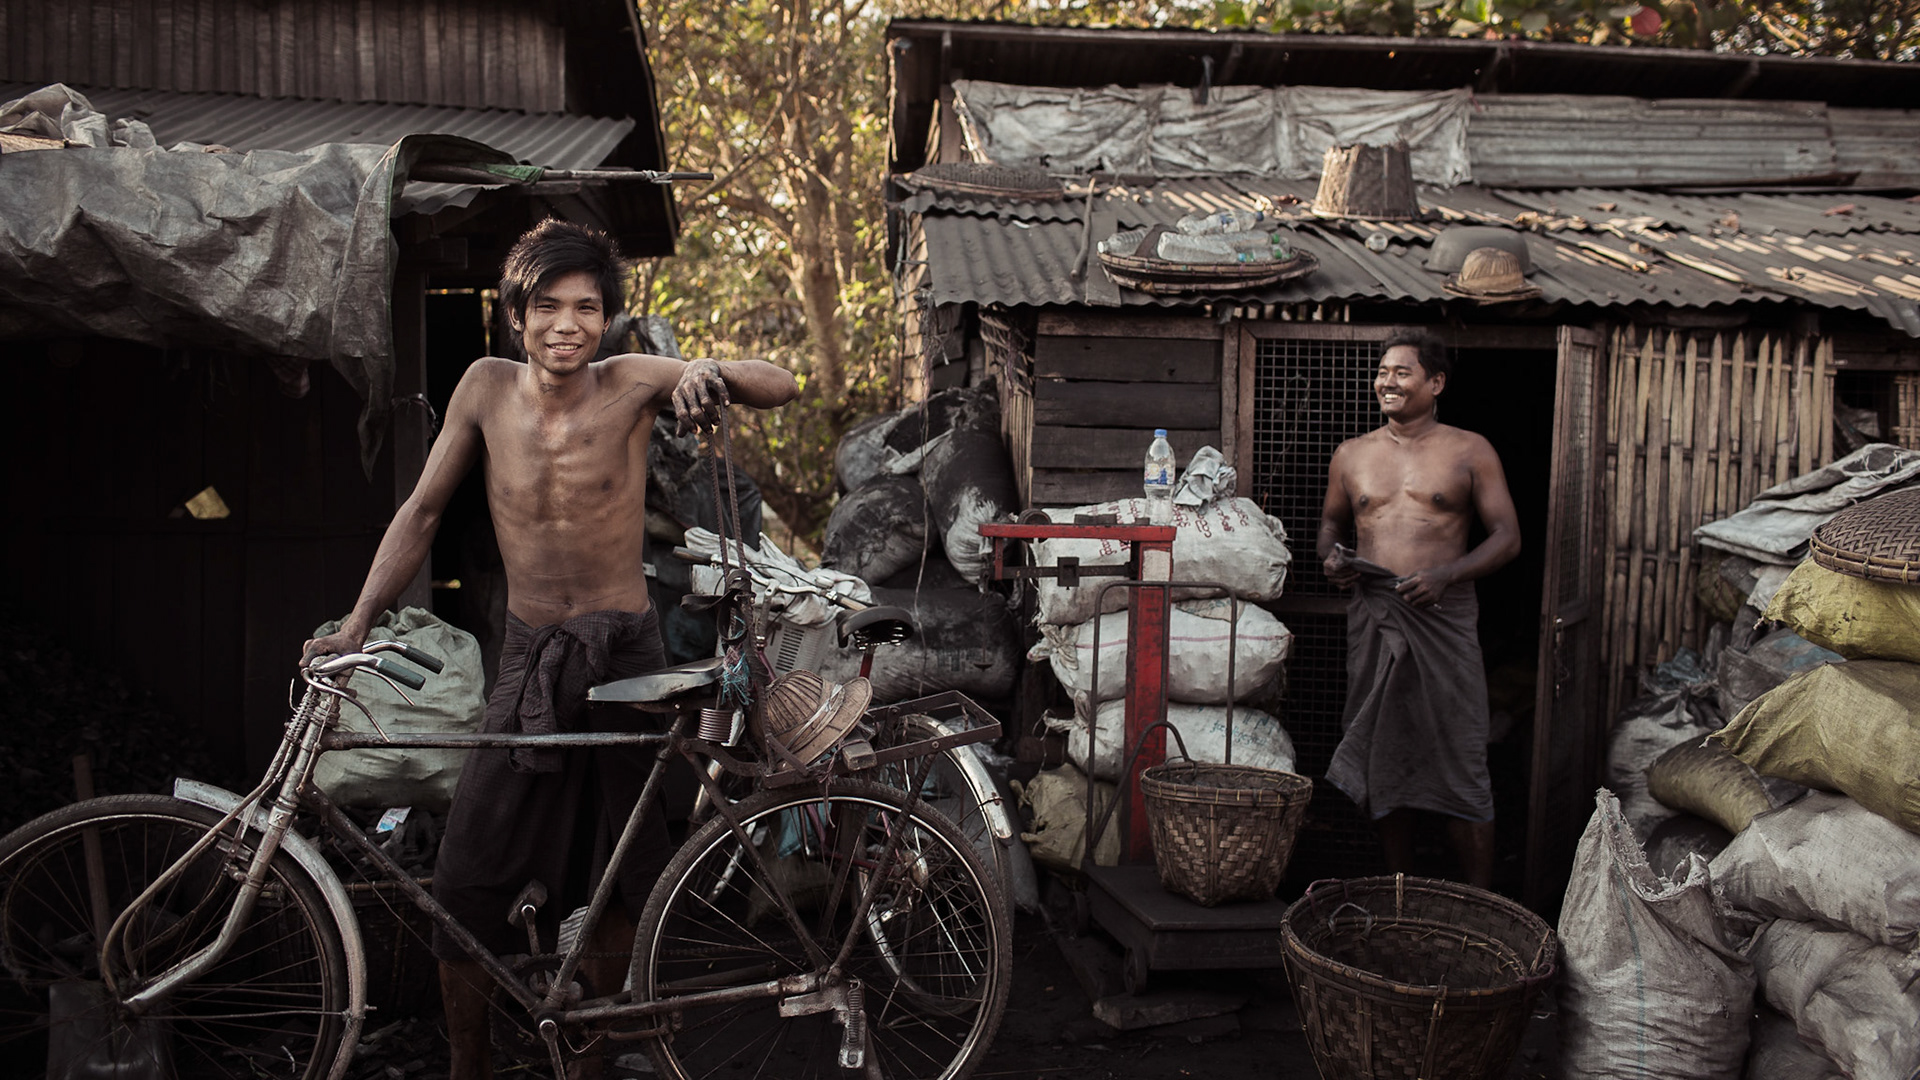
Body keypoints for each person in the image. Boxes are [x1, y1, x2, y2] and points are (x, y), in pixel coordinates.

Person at [303, 218, 798, 1079]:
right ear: (516, 315)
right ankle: (470, 1061)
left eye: (587, 307)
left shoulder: (633, 377)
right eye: (549, 307)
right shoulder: (484, 388)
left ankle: (597, 1052)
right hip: (530, 658)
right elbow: (421, 513)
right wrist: (357, 621)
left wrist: (711, 372)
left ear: (606, 317)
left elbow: (778, 381)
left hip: (628, 658)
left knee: (621, 865)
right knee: (469, 872)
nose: (568, 324)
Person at [1316, 329, 1520, 891]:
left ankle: (1480, 901)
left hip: (1443, 620)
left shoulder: (1470, 449)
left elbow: (1508, 537)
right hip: (1377, 619)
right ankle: (1401, 891)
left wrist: (1446, 575)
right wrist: (1332, 559)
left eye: (1402, 373)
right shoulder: (1352, 454)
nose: (1387, 382)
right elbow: (1332, 526)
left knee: (1462, 759)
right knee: (1384, 754)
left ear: (1436, 383)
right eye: (1383, 372)